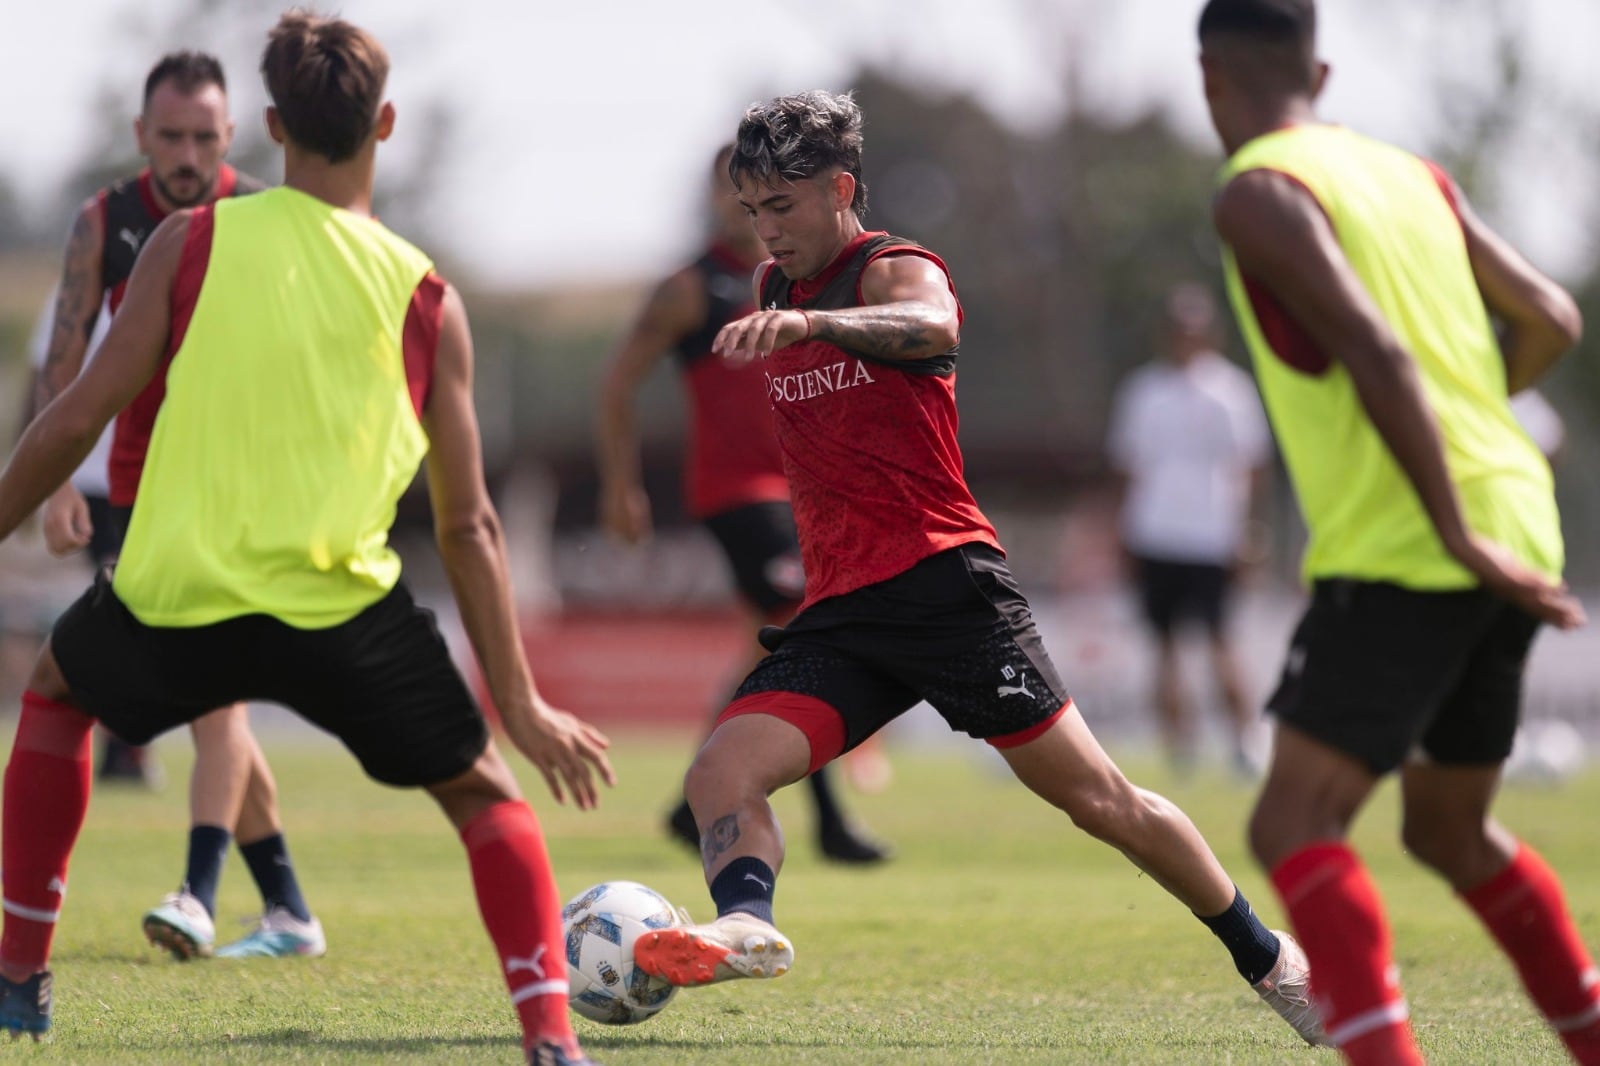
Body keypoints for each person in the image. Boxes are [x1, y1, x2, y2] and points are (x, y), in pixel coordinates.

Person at [626, 89, 1325, 1049]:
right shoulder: (773, 289)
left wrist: (817, 329)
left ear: (840, 188)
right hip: (845, 610)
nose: (765, 233)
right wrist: (792, 321)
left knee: (1103, 803)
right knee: (720, 772)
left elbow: (935, 329)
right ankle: (748, 922)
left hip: (946, 590)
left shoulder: (890, 269)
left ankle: (1268, 957)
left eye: (780, 208)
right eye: (751, 213)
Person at [0, 14, 611, 1065]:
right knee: (481, 794)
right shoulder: (427, 295)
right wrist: (519, 703)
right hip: (342, 610)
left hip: (175, 594)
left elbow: (73, 417)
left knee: (57, 694)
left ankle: (18, 983)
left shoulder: (190, 243)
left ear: (269, 125)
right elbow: (468, 524)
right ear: (386, 123)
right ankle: (550, 1037)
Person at [1198, 2, 1594, 1062]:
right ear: (1318, 74)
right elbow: (1552, 314)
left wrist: (1453, 526)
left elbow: (1373, 349)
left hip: (1415, 540)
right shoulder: (1413, 174)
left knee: (1291, 824)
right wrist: (1475, 447)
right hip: (1518, 511)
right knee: (1447, 831)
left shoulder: (1258, 192)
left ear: (1208, 82)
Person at [27, 50, 325, 961]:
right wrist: (50, 485)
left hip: (235, 487)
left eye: (205, 135)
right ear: (141, 137)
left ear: (232, 136)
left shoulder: (260, 218)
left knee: (214, 695)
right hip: (130, 487)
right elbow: (66, 353)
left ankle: (197, 894)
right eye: (171, 136)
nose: (188, 153)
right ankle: (287, 909)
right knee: (207, 696)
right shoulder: (104, 221)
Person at [595, 145, 888, 864]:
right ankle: (830, 820)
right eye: (737, 193)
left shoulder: (801, 283)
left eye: (766, 194)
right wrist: (620, 486)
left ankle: (686, 801)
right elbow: (617, 383)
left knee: (771, 643)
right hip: (738, 495)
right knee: (800, 629)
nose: (747, 207)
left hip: (801, 492)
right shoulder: (692, 288)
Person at [1106, 281, 1272, 776]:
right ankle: (1181, 746)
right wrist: (1123, 530)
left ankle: (1244, 741)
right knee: (1165, 645)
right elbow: (1128, 467)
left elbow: (1251, 466)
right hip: (1155, 531)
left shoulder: (1231, 391)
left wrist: (1248, 529)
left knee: (1221, 640)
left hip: (1211, 535)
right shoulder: (1144, 390)